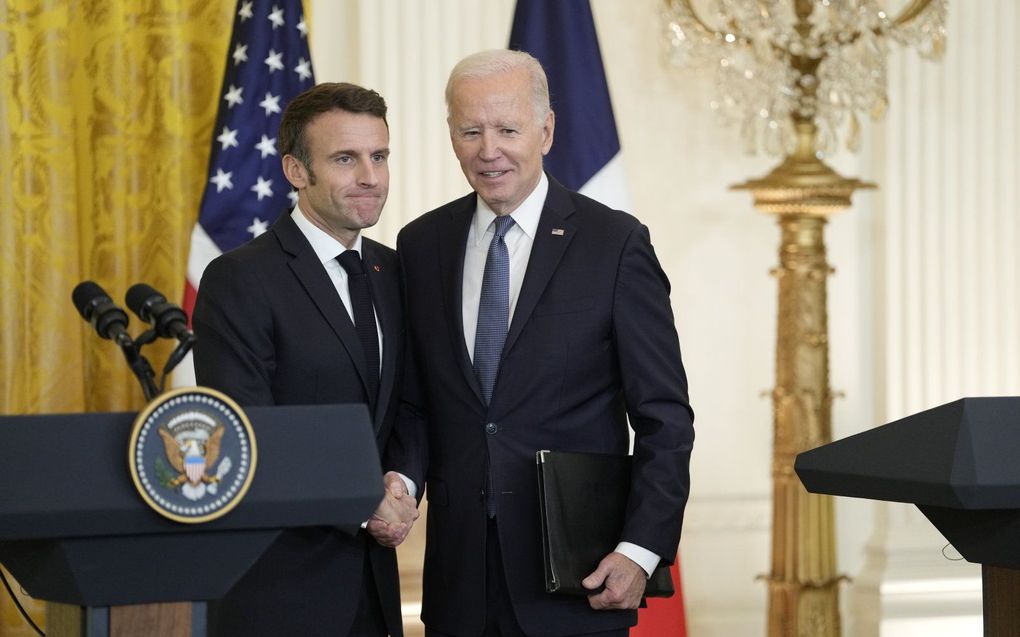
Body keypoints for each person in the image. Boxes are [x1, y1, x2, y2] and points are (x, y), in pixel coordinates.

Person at [388, 50, 695, 637]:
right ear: (450, 135)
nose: (488, 150)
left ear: (546, 130)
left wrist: (640, 550)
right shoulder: (421, 246)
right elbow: (418, 403)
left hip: (581, 578)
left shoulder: (615, 245)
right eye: (470, 131)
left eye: (507, 129)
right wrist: (400, 483)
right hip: (460, 585)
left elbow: (666, 419)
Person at [193, 82, 417, 637]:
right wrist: (367, 504)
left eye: (379, 156)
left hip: (375, 591)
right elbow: (251, 430)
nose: (370, 176)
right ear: (296, 171)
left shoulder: (398, 272)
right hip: (278, 594)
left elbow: (411, 402)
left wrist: (404, 486)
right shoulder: (240, 278)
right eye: (346, 159)